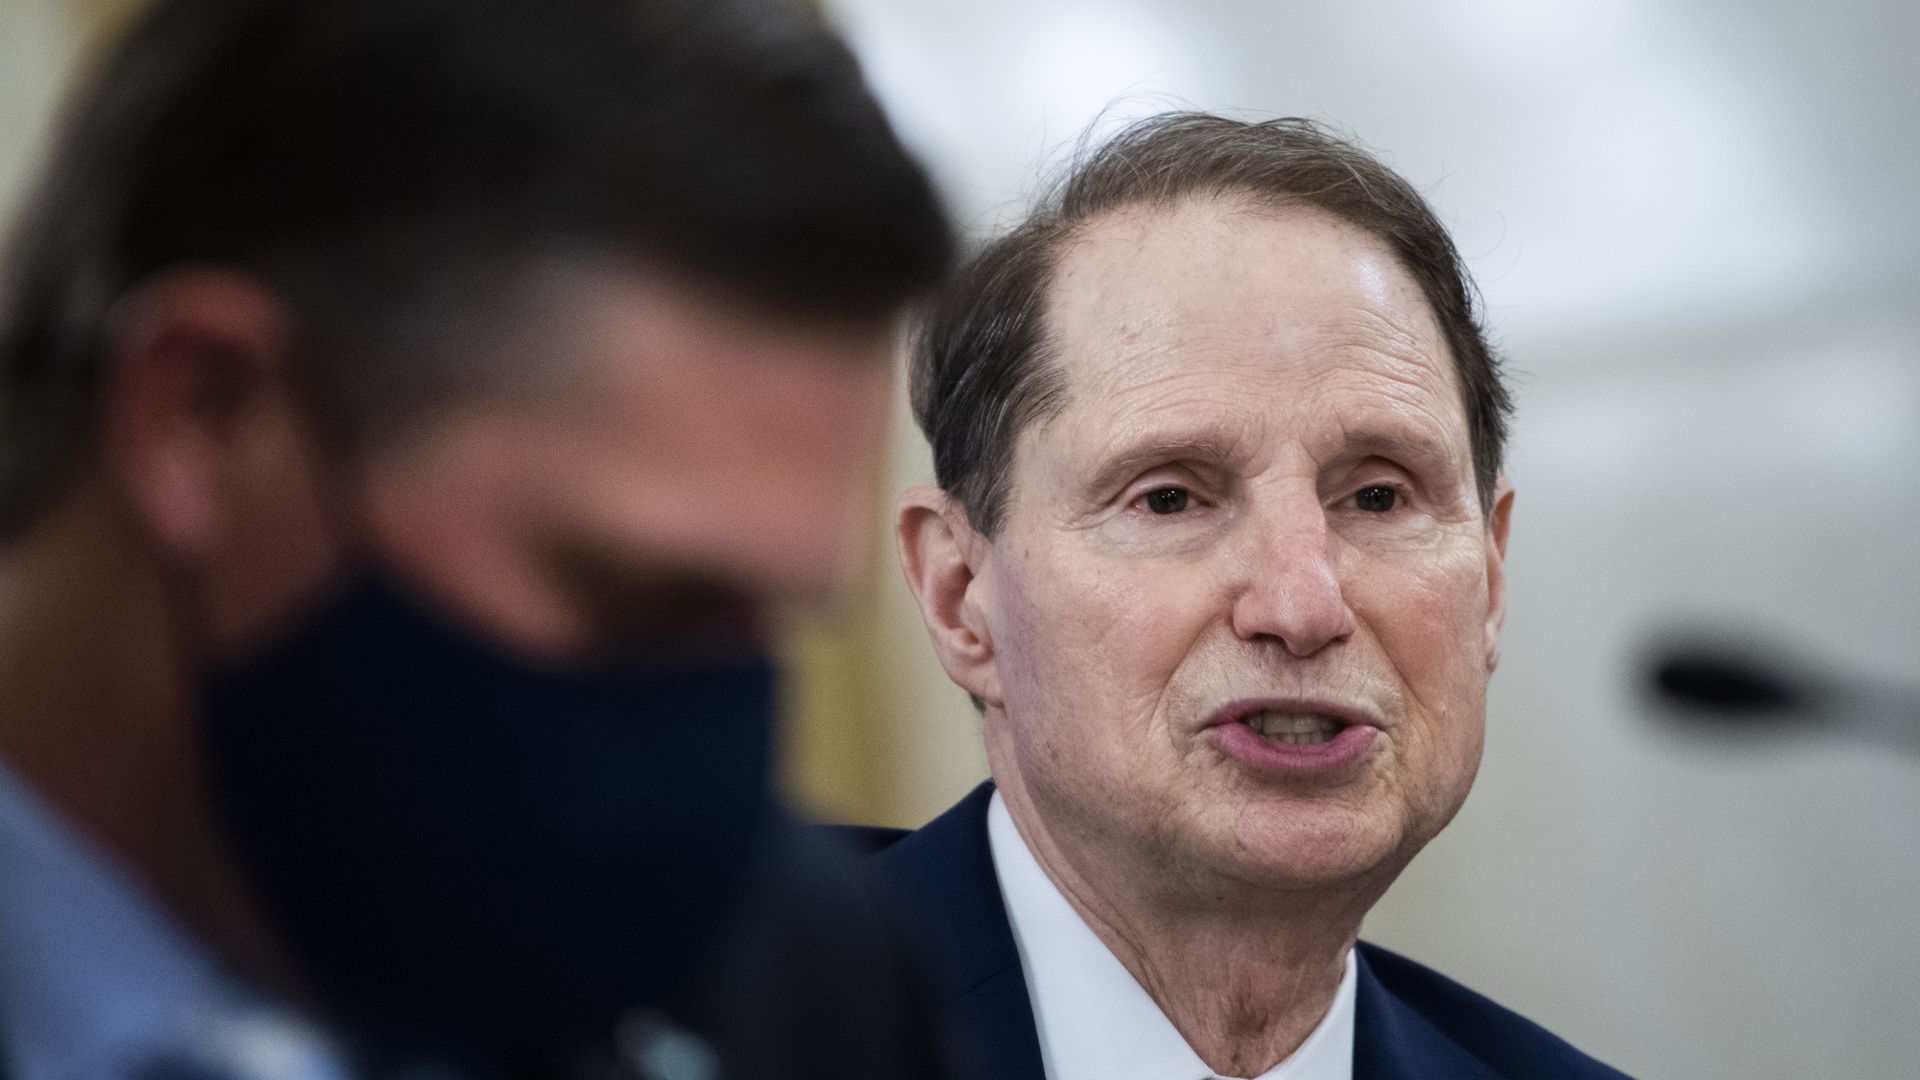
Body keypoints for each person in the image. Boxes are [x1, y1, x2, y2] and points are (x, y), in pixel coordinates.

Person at [0, 0, 954, 1077]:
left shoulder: (811, 984)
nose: (701, 735)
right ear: (205, 418)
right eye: (632, 605)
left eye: (760, 624)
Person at [869, 113, 1633, 1080]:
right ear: (958, 594)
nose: (1304, 608)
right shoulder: (727, 1017)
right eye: (1170, 498)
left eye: (1379, 496)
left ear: (1490, 579)